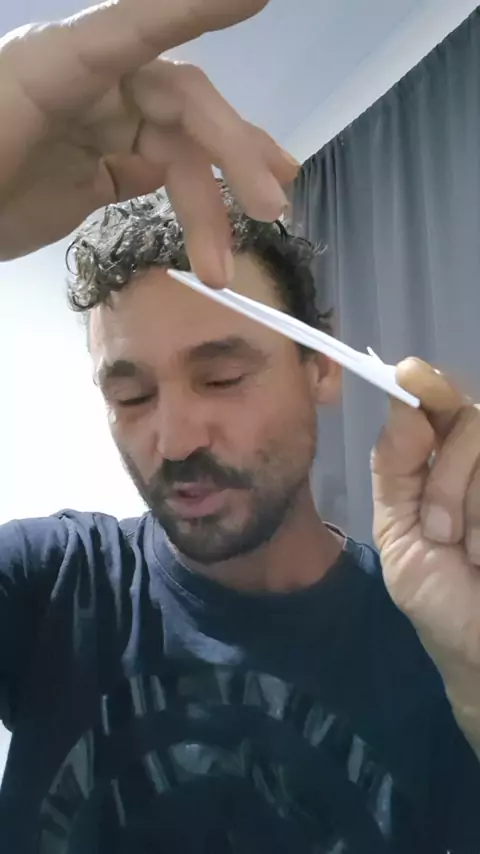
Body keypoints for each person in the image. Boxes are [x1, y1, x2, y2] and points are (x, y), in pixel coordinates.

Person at [0, 2, 479, 853]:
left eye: (222, 377)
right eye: (131, 396)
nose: (175, 437)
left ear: (321, 366)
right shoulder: (51, 589)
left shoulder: (438, 635)